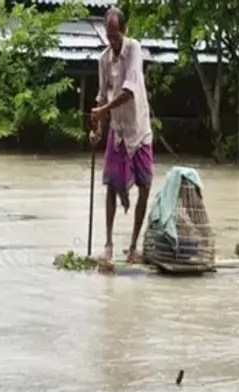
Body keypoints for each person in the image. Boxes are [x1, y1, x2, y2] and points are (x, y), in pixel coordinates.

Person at [89, 7, 153, 267]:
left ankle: (133, 247)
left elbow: (129, 90)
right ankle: (108, 244)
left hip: (138, 129)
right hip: (117, 131)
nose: (112, 41)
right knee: (111, 186)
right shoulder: (103, 59)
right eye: (109, 36)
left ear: (124, 31)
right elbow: (101, 95)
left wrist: (103, 110)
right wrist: (98, 128)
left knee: (145, 186)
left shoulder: (134, 49)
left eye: (115, 36)